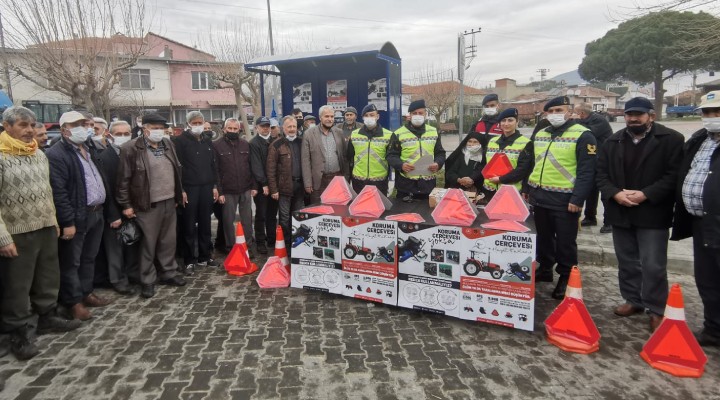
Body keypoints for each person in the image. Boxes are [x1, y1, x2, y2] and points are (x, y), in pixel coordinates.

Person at [0, 107, 81, 360]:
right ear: (7, 126)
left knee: (47, 276)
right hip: (17, 232)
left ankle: (47, 316)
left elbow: (48, 191)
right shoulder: (2, 157)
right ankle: (18, 332)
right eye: (23, 125)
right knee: (17, 285)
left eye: (32, 125)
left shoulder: (38, 155)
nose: (30, 131)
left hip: (45, 226)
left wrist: (54, 221)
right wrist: (3, 237)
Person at [596, 97, 684, 332]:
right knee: (626, 261)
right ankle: (633, 300)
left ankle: (656, 308)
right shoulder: (612, 141)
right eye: (629, 114)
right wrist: (614, 194)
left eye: (639, 114)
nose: (633, 119)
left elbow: (674, 175)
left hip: (652, 211)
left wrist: (646, 194)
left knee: (653, 264)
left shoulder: (671, 140)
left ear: (651, 116)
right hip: (620, 209)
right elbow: (601, 174)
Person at [525, 96, 597, 299]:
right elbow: (532, 163)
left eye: (559, 110)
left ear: (569, 111)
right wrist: (527, 188)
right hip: (539, 196)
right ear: (545, 114)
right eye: (551, 111)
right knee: (544, 238)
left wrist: (578, 199)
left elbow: (587, 171)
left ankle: (565, 277)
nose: (555, 114)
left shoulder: (583, 135)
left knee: (565, 242)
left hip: (565, 200)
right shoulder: (541, 134)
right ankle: (546, 268)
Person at [46, 111, 112, 321]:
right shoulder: (57, 154)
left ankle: (86, 292)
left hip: (96, 212)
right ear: (65, 129)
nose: (83, 128)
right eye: (77, 124)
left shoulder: (88, 147)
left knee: (88, 258)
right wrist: (67, 221)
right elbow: (59, 191)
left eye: (84, 124)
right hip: (77, 216)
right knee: (71, 262)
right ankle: (72, 302)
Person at [116, 113, 187, 298]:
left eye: (161, 128)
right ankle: (147, 279)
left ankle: (169, 272)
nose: (159, 131)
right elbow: (123, 179)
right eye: (155, 128)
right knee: (148, 243)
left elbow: (177, 169)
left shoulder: (168, 144)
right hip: (147, 204)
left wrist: (180, 192)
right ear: (145, 129)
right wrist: (126, 204)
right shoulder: (131, 148)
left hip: (169, 201)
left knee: (168, 241)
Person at [671, 90, 720, 345]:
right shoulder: (701, 139)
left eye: (717, 113)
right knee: (707, 278)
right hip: (702, 222)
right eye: (707, 113)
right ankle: (713, 329)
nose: (711, 118)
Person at [95, 120, 139, 295]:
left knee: (133, 242)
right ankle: (118, 279)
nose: (123, 137)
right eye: (119, 134)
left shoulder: (134, 153)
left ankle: (133, 274)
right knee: (115, 248)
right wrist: (113, 213)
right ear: (110, 135)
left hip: (134, 208)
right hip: (114, 210)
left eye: (126, 133)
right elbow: (105, 188)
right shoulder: (104, 157)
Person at [173, 111, 219, 275]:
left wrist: (214, 185)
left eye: (200, 122)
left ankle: (205, 256)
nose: (198, 125)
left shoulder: (207, 141)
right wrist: (181, 190)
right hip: (190, 188)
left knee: (205, 223)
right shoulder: (180, 141)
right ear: (188, 123)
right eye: (195, 122)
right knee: (189, 225)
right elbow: (177, 168)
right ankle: (189, 260)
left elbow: (213, 165)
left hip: (206, 187)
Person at [213, 118, 257, 255]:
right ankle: (231, 248)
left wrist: (254, 186)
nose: (232, 131)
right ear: (224, 129)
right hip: (227, 191)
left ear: (239, 129)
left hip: (245, 188)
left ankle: (247, 246)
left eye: (235, 129)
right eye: (229, 128)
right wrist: (219, 192)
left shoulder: (245, 144)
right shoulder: (216, 145)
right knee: (228, 222)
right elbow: (216, 171)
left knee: (247, 220)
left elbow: (251, 166)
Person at [387, 99, 446, 200]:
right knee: (404, 215)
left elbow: (440, 153)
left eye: (420, 113)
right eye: (414, 113)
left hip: (427, 184)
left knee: (426, 214)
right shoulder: (398, 133)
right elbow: (391, 156)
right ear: (409, 115)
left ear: (425, 114)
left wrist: (437, 164)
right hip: (406, 184)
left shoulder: (433, 131)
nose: (417, 115)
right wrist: (401, 165)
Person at [573, 103, 614, 233]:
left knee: (605, 192)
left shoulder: (599, 120)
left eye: (577, 114)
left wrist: (575, 121)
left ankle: (610, 222)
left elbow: (589, 132)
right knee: (590, 190)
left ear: (582, 114)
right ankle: (590, 217)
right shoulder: (587, 120)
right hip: (592, 160)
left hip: (604, 160)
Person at [267, 116, 304, 249]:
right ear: (283, 128)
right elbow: (270, 169)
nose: (292, 129)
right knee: (284, 218)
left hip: (300, 187)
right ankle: (286, 246)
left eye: (294, 126)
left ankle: (298, 245)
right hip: (284, 189)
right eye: (289, 127)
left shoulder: (302, 142)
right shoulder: (276, 145)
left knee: (298, 217)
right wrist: (274, 189)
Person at [301, 105, 347, 204]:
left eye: (332, 116)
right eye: (326, 116)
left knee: (336, 208)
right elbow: (305, 161)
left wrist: (345, 178)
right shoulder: (309, 134)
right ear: (320, 117)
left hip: (336, 179)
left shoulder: (339, 132)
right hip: (318, 180)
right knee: (318, 210)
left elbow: (344, 156)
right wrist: (308, 183)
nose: (330, 119)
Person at [482, 108, 532, 197]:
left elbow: (522, 170)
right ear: (500, 123)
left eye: (510, 120)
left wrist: (501, 179)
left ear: (517, 122)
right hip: (489, 190)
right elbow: (485, 164)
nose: (506, 123)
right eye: (503, 120)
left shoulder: (525, 143)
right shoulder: (492, 141)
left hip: (511, 191)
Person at [346, 104, 392, 195]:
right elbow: (349, 156)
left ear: (377, 116)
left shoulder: (388, 135)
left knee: (379, 207)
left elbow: (392, 157)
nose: (369, 118)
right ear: (362, 117)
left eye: (372, 115)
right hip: (359, 181)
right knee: (359, 207)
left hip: (379, 181)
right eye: (366, 115)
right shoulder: (354, 135)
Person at [250, 116, 278, 254]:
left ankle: (272, 239)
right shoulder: (254, 143)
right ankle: (260, 241)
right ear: (257, 128)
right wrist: (264, 183)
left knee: (272, 214)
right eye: (262, 126)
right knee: (261, 215)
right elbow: (256, 166)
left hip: (274, 185)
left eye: (268, 126)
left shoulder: (274, 141)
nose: (266, 128)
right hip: (261, 186)